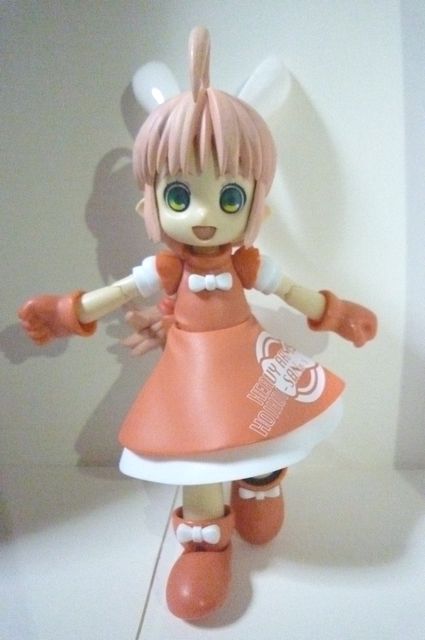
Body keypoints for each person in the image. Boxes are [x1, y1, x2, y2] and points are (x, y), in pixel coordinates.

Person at [19, 26, 377, 620]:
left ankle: (261, 484)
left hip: (248, 361)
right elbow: (116, 293)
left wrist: (338, 314)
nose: (206, 216)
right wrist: (64, 313)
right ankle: (206, 540)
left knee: (267, 420)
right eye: (181, 196)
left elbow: (291, 292)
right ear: (150, 202)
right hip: (190, 378)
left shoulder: (249, 264)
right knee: (195, 455)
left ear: (256, 203)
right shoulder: (165, 269)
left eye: (229, 198)